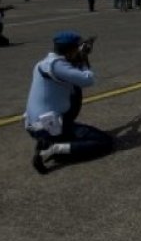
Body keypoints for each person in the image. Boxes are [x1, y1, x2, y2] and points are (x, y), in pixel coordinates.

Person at [24, 31, 114, 174]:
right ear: (71, 50)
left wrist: (78, 57)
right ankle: (52, 149)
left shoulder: (44, 63)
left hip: (38, 124)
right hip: (48, 126)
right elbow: (88, 80)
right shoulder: (56, 66)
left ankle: (51, 143)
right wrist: (83, 58)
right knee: (104, 142)